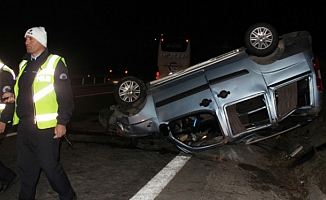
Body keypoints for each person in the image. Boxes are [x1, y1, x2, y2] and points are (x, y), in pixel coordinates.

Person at [6, 27, 76, 200]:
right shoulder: (24, 64)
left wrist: (62, 122)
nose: (27, 42)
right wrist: (14, 97)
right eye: (26, 39)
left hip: (46, 127)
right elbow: (28, 91)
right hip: (24, 125)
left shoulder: (54, 62)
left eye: (31, 39)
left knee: (49, 165)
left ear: (41, 42)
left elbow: (65, 96)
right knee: (26, 168)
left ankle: (68, 196)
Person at [0, 60, 19, 194]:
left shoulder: (4, 74)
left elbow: (9, 101)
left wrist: (3, 121)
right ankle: (8, 176)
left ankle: (8, 176)